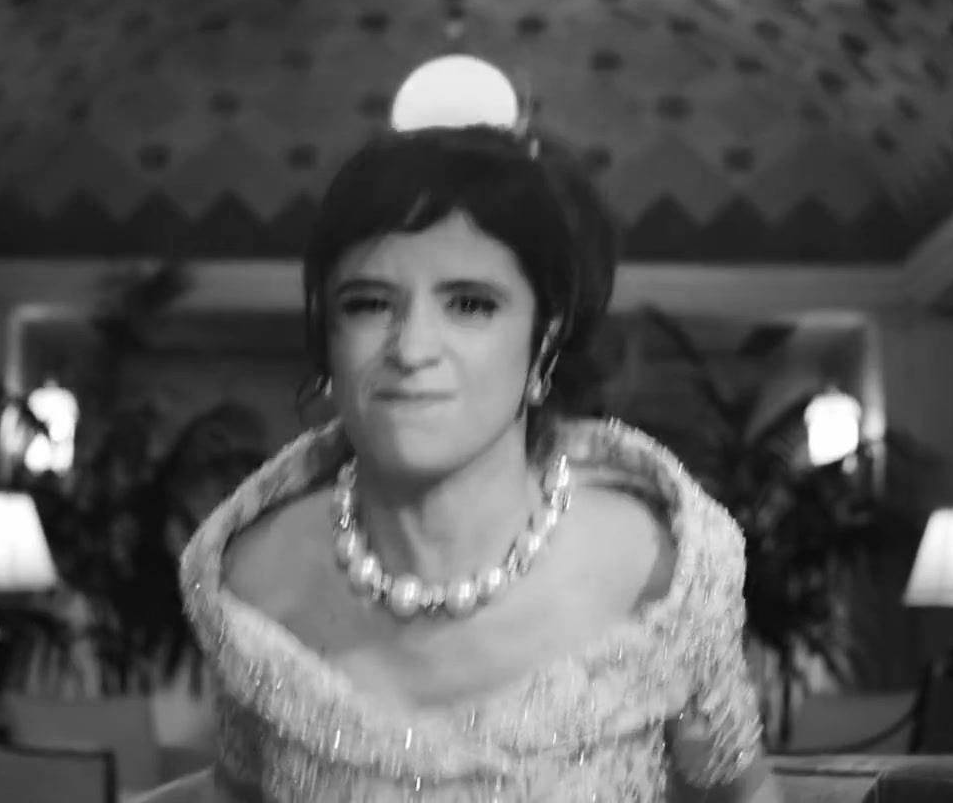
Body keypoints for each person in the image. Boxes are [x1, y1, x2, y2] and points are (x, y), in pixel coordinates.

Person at [156, 125, 781, 801]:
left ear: (544, 343)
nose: (412, 348)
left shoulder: (660, 573)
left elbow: (741, 794)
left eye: (470, 305)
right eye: (369, 305)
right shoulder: (250, 583)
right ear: (328, 339)